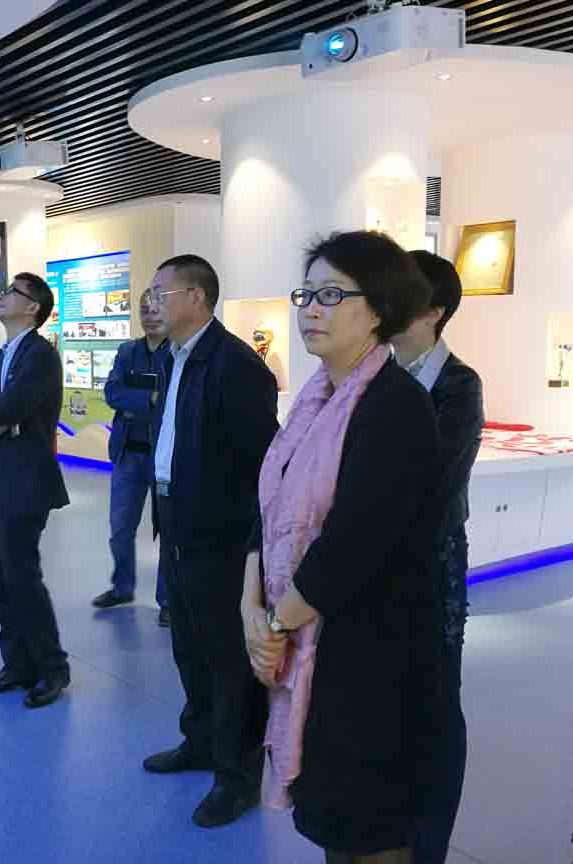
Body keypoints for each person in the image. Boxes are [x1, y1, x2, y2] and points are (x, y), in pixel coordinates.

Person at [241, 231, 442, 864]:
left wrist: (275, 625)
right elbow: (267, 507)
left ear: (378, 309)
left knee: (369, 820)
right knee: (329, 810)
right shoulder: (313, 403)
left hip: (369, 652)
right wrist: (250, 609)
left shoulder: (396, 407)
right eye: (306, 294)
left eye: (331, 294)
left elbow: (356, 543)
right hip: (309, 636)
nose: (310, 309)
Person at [142, 254, 278, 828]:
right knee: (189, 647)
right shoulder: (172, 359)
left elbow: (263, 466)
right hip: (176, 523)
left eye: (161, 292)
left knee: (229, 660)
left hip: (220, 537)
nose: (151, 302)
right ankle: (199, 741)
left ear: (197, 297)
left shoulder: (236, 366)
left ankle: (237, 777)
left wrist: (251, 550)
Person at [393, 250, 484, 864]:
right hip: (372, 561)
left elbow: (430, 483)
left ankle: (429, 843)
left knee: (435, 699)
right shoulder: (369, 373)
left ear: (434, 311)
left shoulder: (458, 384)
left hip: (431, 559)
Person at [0, 273, 71, 710]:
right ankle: (17, 665)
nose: (1, 295)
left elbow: (12, 405)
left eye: (11, 292)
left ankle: (52, 668)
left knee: (22, 577)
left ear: (32, 307)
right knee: (0, 578)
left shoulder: (40, 356)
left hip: (25, 480)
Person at [92, 288, 172, 625]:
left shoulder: (176, 353)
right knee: (120, 528)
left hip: (163, 457)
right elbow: (112, 392)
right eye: (144, 310)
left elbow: (170, 401)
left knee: (168, 529)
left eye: (156, 309)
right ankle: (121, 587)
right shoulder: (128, 352)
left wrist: (135, 402)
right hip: (128, 454)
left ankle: (168, 599)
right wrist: (148, 399)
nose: (150, 316)